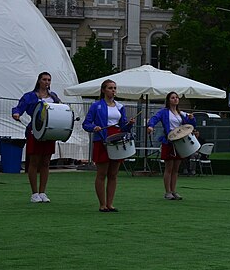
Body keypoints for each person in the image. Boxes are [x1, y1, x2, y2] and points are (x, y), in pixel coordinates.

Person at [82, 79, 136, 212]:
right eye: (110, 88)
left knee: (113, 174)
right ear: (103, 90)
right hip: (102, 139)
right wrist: (94, 127)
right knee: (102, 173)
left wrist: (129, 124)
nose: (113, 90)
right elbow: (86, 124)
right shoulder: (96, 106)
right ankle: (102, 204)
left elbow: (123, 126)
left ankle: (110, 204)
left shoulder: (120, 106)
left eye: (115, 88)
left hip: (116, 139)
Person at [11, 72, 64, 203]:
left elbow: (60, 108)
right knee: (34, 161)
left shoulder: (53, 97)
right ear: (39, 81)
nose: (47, 82)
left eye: (49, 80)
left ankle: (43, 192)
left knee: (46, 162)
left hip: (49, 132)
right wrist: (16, 114)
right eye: (44, 79)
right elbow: (19, 108)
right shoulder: (29, 96)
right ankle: (34, 193)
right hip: (35, 130)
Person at [147, 92, 196, 200]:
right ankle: (167, 191)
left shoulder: (181, 113)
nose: (175, 99)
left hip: (179, 142)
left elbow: (190, 126)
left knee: (176, 169)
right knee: (169, 168)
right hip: (169, 141)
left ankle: (174, 190)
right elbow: (154, 118)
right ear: (168, 100)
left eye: (177, 98)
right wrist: (150, 126)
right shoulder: (164, 112)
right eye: (173, 98)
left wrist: (192, 118)